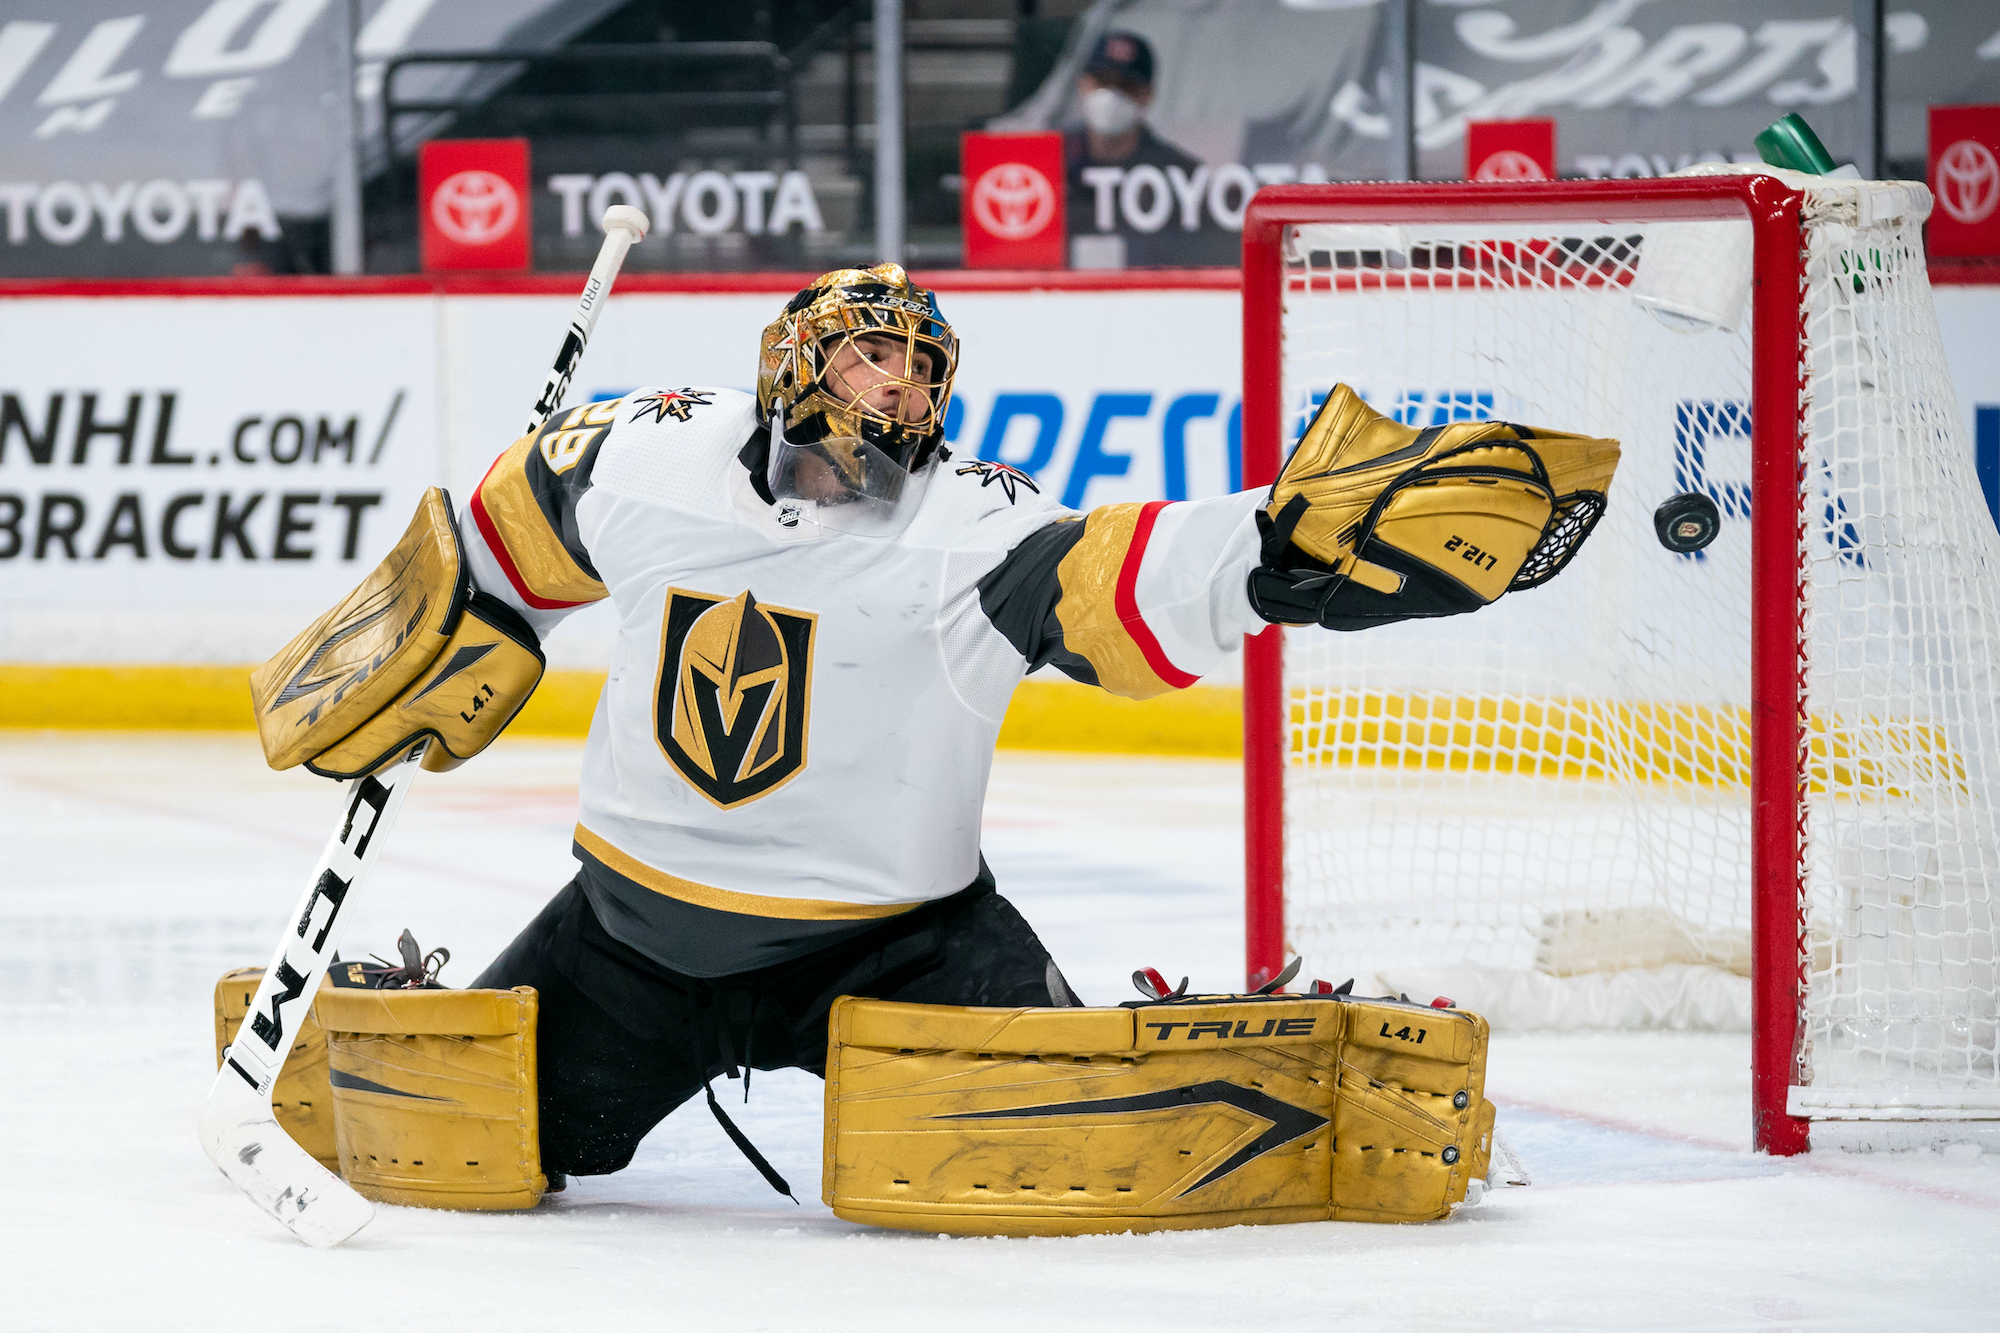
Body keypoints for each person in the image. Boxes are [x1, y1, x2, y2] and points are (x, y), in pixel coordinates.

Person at [464, 263, 1272, 1189]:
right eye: (875, 354)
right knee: (470, 1133)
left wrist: (1274, 537)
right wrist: (428, 634)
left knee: (1078, 1153)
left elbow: (1122, 572)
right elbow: (498, 541)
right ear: (793, 362)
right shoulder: (652, 454)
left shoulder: (977, 522)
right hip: (629, 944)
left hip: (901, 949)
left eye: (925, 367)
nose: (903, 383)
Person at [1062, 30, 1233, 267]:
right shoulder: (1050, 165)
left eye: (1125, 86)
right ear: (1082, 84)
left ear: (1147, 95)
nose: (1111, 96)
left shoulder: (1181, 177)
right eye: (1102, 81)